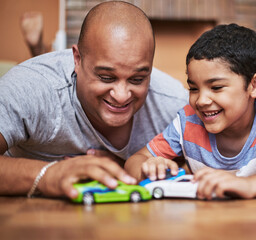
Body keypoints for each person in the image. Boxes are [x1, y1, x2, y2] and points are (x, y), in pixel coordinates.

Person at [0, 2, 188, 199]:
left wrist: (127, 167)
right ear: (77, 59)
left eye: (137, 79)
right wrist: (49, 174)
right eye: (106, 77)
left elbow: (212, 163)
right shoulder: (32, 85)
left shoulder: (172, 101)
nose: (122, 95)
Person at [125, 23, 256, 200]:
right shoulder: (188, 121)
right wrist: (148, 167)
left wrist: (248, 185)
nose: (201, 101)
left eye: (216, 87)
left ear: (255, 85)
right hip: (207, 220)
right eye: (194, 89)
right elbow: (135, 160)